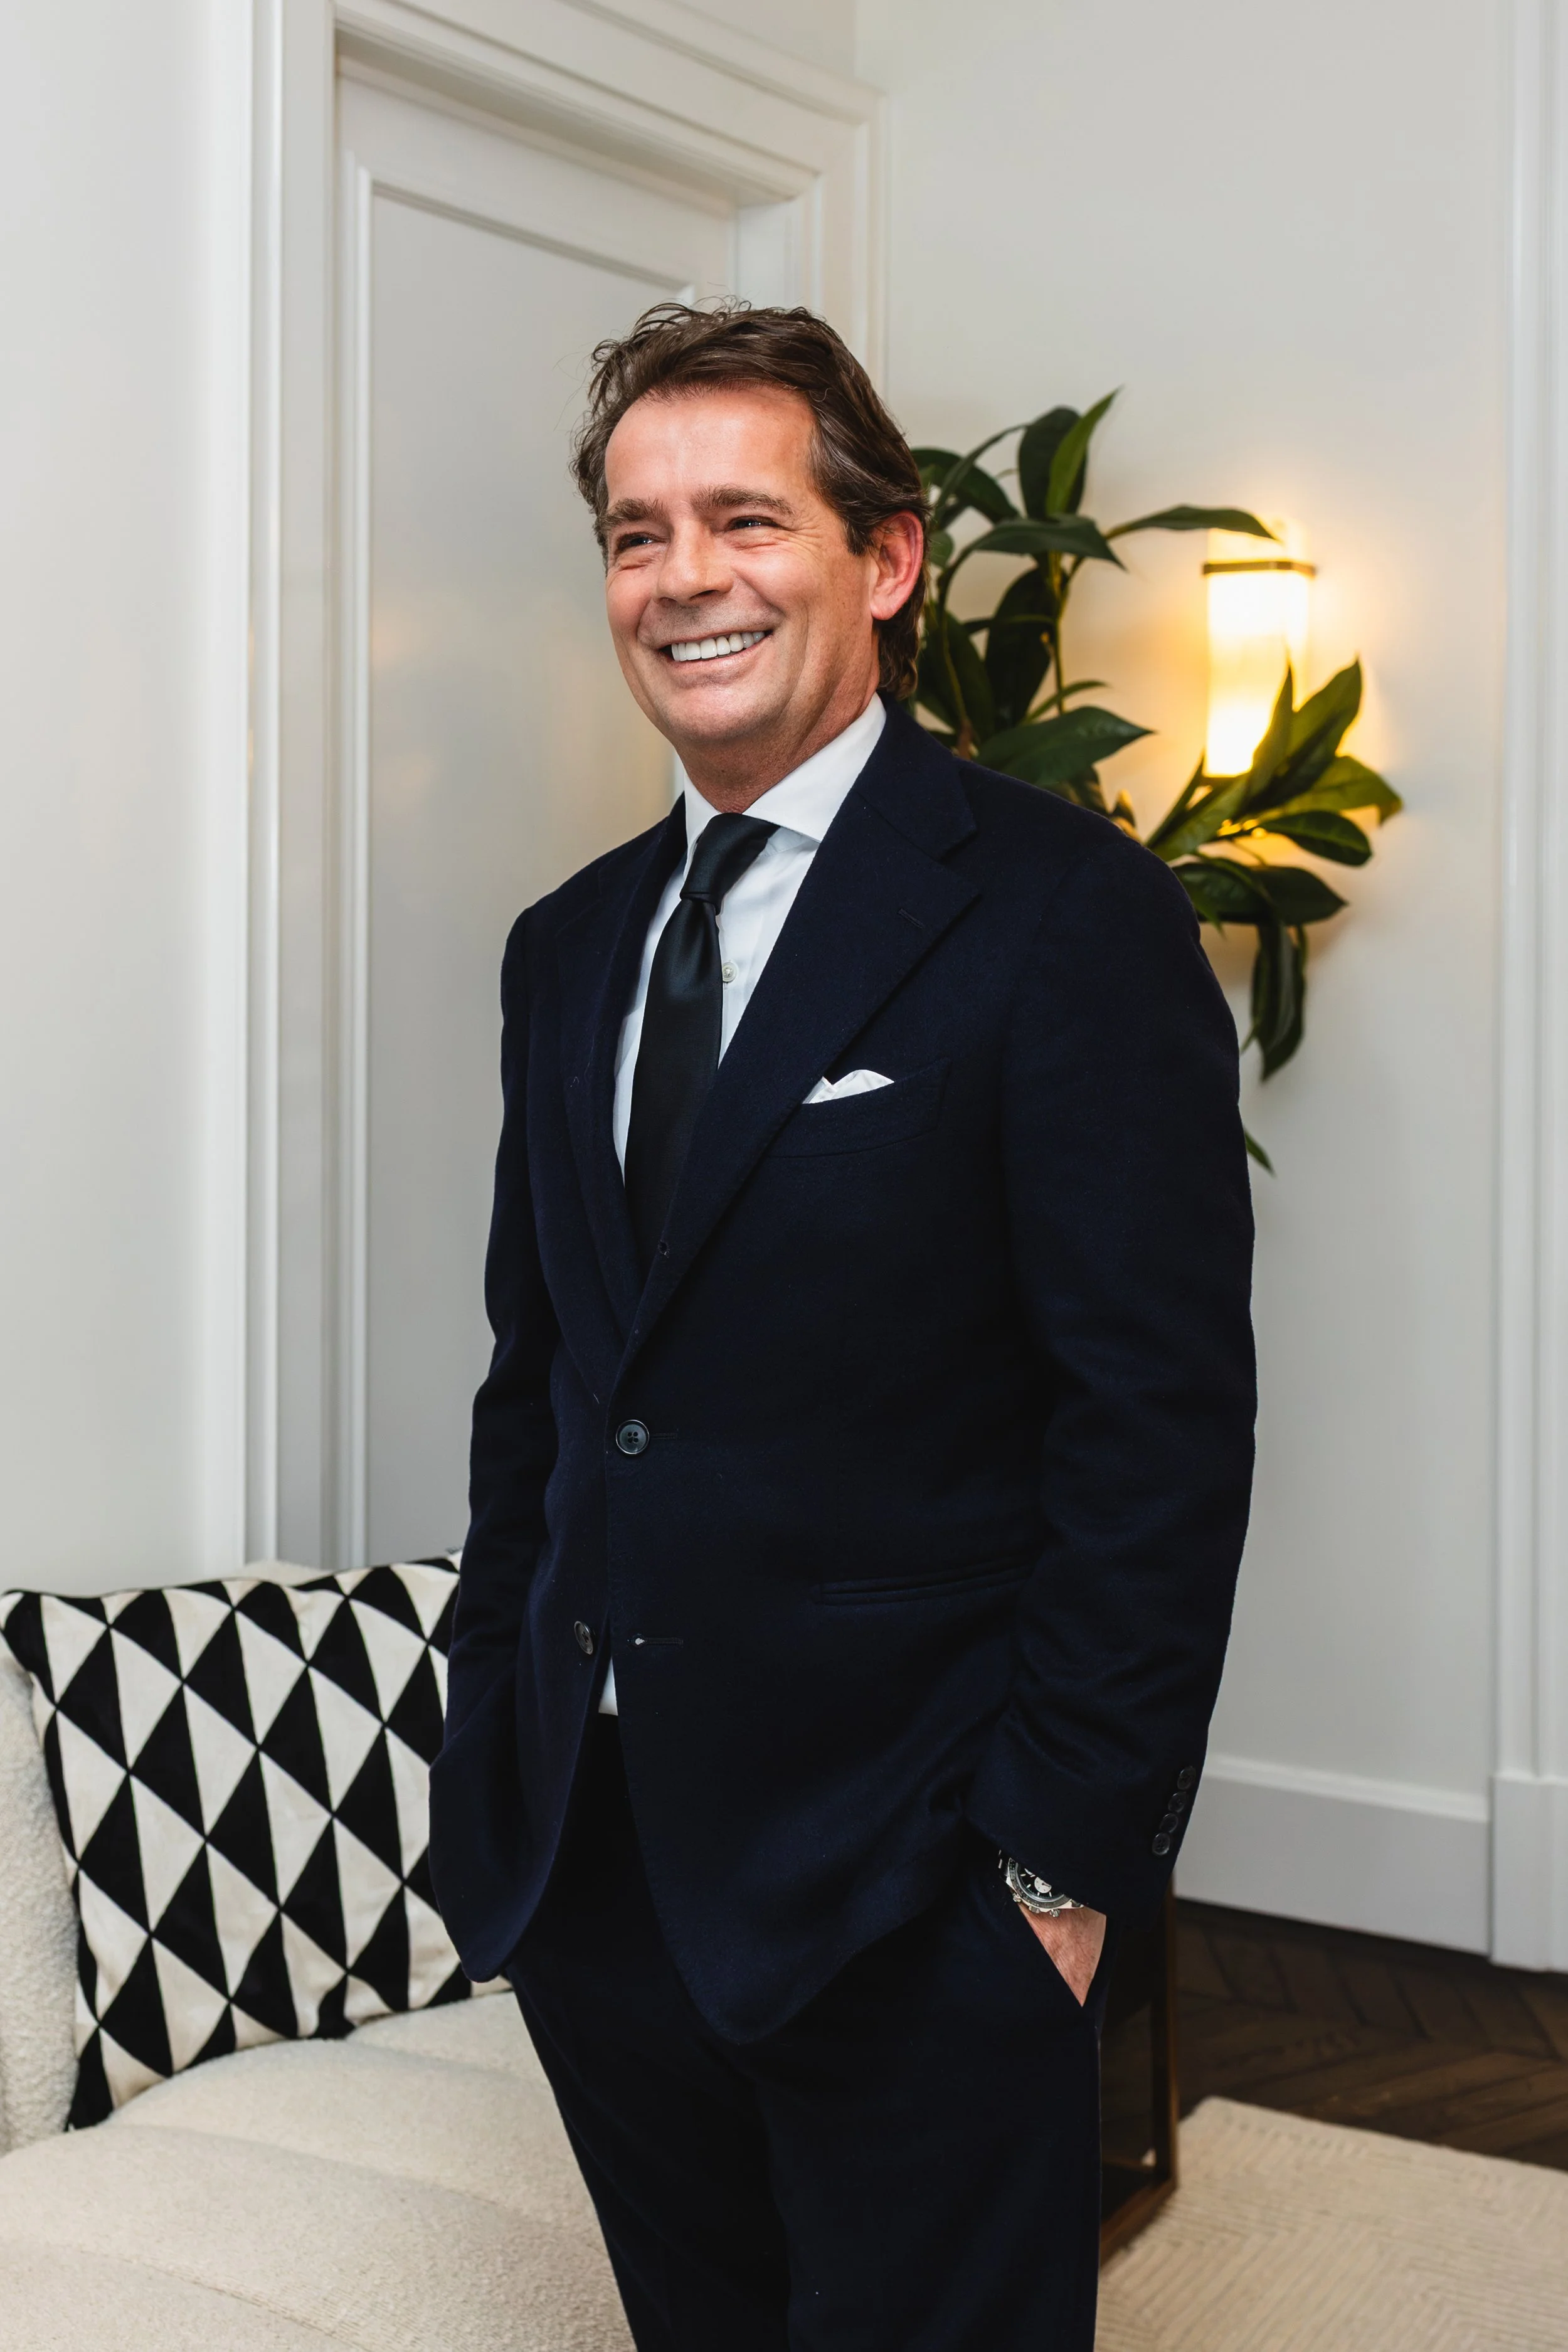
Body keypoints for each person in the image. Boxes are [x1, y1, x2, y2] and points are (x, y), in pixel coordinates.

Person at [429, 302, 1255, 2352]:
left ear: (883, 559)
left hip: (918, 1874)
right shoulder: (566, 947)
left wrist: (1053, 1873)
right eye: (636, 534)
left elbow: (1151, 1428)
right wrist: (489, 1745)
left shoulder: (1065, 914)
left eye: (742, 519)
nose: (682, 577)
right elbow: (547, 1388)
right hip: (601, 1865)